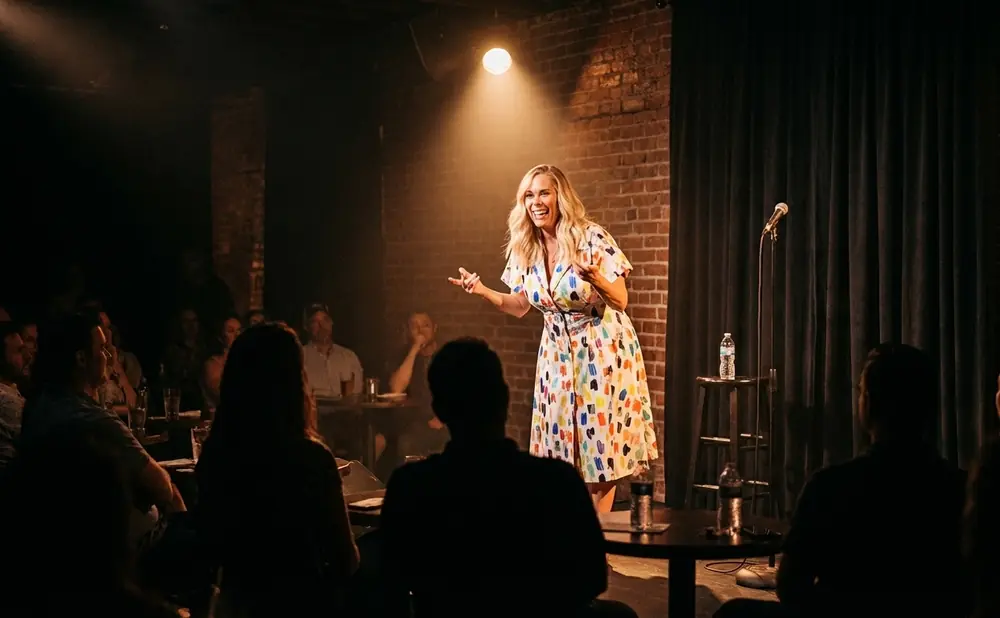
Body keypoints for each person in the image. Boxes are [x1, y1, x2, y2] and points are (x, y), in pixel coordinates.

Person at [448, 164, 658, 511]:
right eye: (529, 195)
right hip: (556, 357)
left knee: (599, 452)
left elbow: (620, 300)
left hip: (600, 352)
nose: (536, 202)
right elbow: (519, 306)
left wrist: (597, 279)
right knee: (558, 450)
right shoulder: (525, 248)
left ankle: (596, 545)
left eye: (544, 192)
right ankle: (566, 538)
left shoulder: (591, 237)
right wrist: (483, 290)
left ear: (561, 196)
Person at [379, 337, 636, 618]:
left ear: (439, 409)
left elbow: (391, 584)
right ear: (504, 399)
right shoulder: (555, 482)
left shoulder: (411, 486)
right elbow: (591, 579)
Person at [196, 322, 359, 617]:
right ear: (294, 380)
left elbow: (208, 547)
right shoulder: (311, 457)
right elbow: (344, 560)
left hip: (236, 605)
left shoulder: (217, 454)